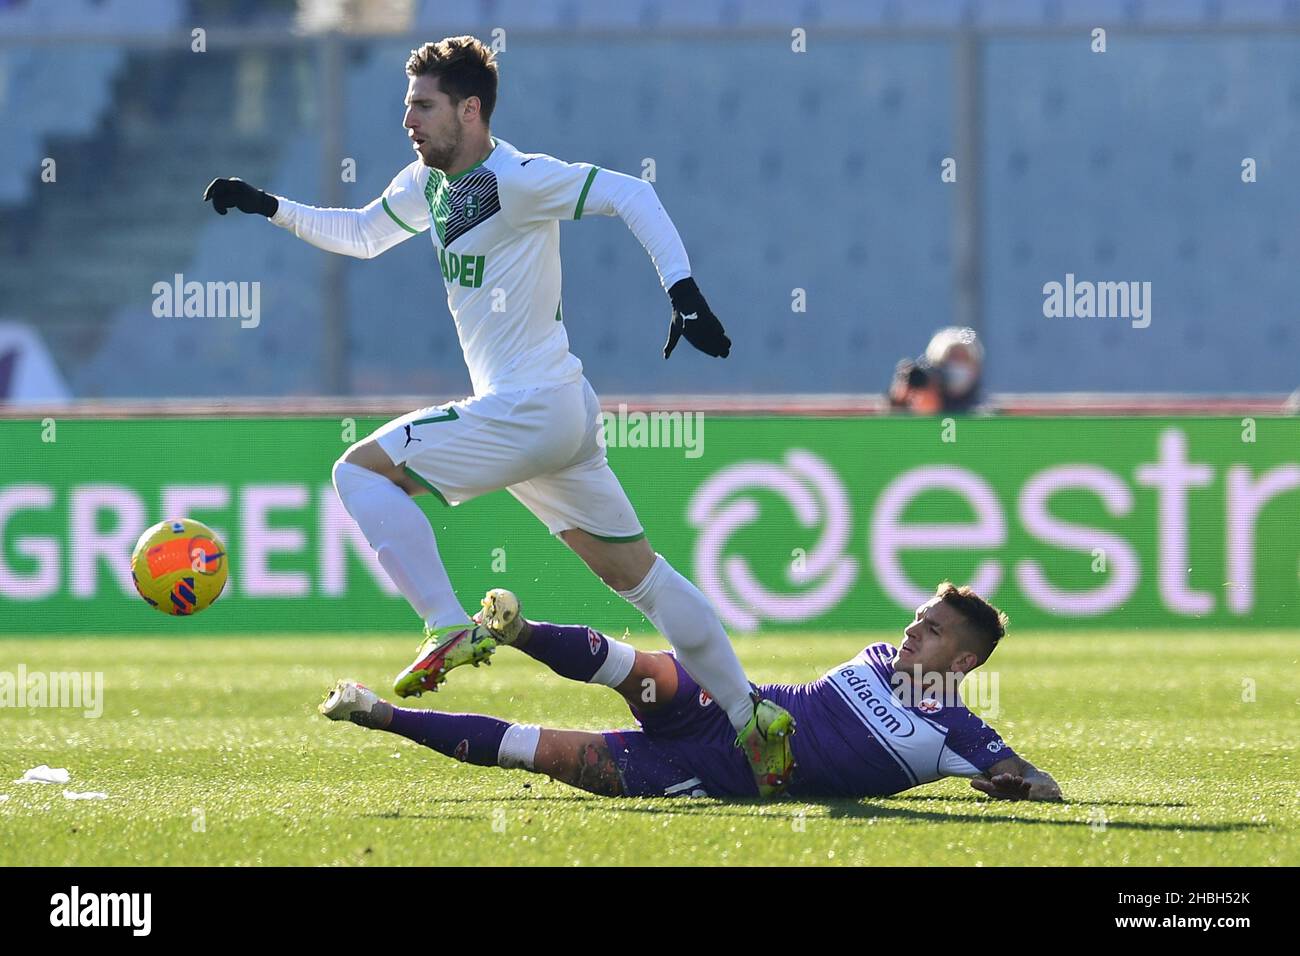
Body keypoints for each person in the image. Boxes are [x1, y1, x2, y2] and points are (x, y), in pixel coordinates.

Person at [202, 35, 795, 795]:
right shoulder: (431, 182)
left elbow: (632, 194)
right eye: (407, 105)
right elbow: (362, 233)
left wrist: (684, 292)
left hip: (530, 407)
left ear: (469, 109)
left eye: (423, 105)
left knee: (356, 472)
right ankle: (753, 716)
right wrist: (267, 205)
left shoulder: (514, 177)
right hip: (560, 416)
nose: (408, 120)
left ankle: (448, 624)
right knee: (638, 576)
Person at [319, 583, 1062, 802]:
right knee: (641, 668)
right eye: (917, 618)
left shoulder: (959, 734)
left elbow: (1040, 782)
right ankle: (512, 631)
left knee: (533, 749)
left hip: (721, 773)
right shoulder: (877, 656)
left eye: (929, 631)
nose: (909, 632)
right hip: (737, 707)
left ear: (962, 661)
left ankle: (375, 713)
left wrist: (1015, 785)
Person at [888, 326, 985, 414]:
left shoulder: (983, 410)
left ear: (976, 367)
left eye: (963, 359)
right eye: (952, 357)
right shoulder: (926, 392)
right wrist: (901, 403)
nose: (957, 365)